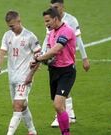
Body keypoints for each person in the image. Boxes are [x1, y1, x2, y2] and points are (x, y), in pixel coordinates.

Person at [42, 0, 90, 127]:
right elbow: (47, 39)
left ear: (62, 6)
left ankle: (60, 117)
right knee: (62, 91)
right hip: (54, 64)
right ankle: (71, 115)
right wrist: (42, 54)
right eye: (52, 7)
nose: (54, 9)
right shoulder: (50, 21)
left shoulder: (71, 21)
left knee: (60, 96)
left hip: (66, 62)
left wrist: (84, 58)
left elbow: (79, 40)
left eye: (56, 7)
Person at [0, 10, 41, 135]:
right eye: (9, 26)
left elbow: (39, 57)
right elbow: (1, 53)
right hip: (12, 77)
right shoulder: (7, 35)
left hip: (24, 77)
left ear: (19, 21)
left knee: (17, 106)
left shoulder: (30, 36)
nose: (11, 29)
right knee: (23, 105)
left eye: (12, 26)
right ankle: (32, 131)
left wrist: (31, 74)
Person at [32, 7, 76, 135]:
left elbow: (56, 49)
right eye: (45, 22)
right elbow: (49, 52)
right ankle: (64, 132)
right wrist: (39, 59)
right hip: (54, 71)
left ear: (56, 19)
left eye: (47, 21)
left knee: (57, 105)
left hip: (66, 72)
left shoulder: (66, 31)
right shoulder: (51, 33)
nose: (46, 24)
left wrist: (40, 58)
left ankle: (66, 133)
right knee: (59, 107)